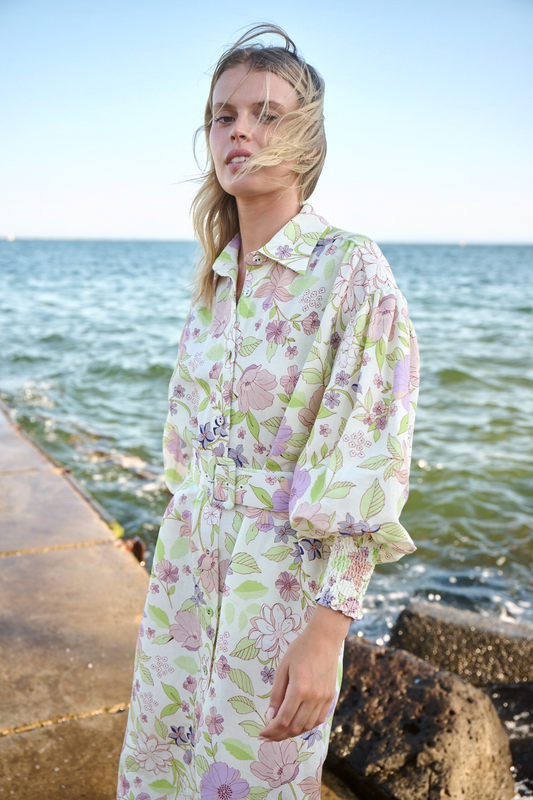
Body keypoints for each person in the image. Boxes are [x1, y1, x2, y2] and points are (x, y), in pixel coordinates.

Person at [117, 23, 420, 800]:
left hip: (277, 599)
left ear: (306, 140)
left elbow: (367, 448)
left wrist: (328, 632)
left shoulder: (348, 271)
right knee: (159, 776)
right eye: (223, 115)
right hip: (184, 583)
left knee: (251, 784)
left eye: (266, 114)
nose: (240, 130)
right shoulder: (214, 284)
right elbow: (190, 456)